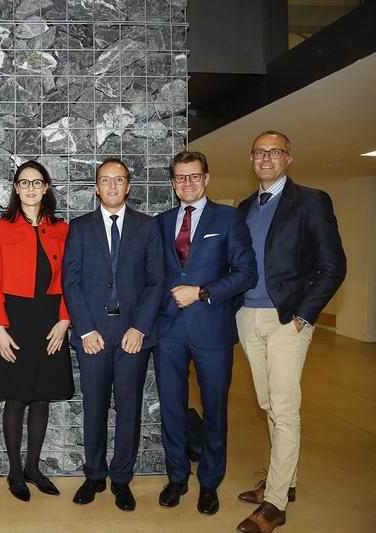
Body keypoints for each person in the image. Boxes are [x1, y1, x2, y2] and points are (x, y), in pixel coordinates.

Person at [235, 131, 346, 533]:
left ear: (288, 158)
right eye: (259, 152)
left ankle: (276, 502)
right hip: (248, 316)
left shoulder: (311, 201)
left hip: (286, 320)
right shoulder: (246, 207)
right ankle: (288, 480)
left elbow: (333, 266)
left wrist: (304, 315)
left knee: (284, 408)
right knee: (267, 404)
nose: (266, 158)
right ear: (251, 159)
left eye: (274, 152)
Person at [153, 151, 257, 515]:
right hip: (167, 331)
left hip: (212, 329)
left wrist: (202, 291)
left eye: (195, 176)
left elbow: (246, 274)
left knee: (214, 410)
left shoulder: (229, 218)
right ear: (172, 182)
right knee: (171, 409)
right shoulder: (161, 222)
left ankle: (209, 483)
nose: (188, 183)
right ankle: (177, 477)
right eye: (180, 177)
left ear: (207, 178)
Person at [62, 158, 164, 511]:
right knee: (93, 407)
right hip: (93, 333)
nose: (112, 186)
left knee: (128, 408)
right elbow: (70, 281)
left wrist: (140, 327)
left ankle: (121, 478)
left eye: (118, 180)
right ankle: (94, 475)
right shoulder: (80, 227)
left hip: (132, 334)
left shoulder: (147, 228)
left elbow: (157, 281)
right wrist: (85, 328)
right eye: (105, 180)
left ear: (128, 186)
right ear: (96, 186)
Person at [0, 160, 74, 502]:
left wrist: (65, 320)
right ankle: (14, 471)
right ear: (16, 188)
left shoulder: (62, 229)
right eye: (25, 183)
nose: (32, 188)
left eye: (38, 183)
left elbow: (71, 280)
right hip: (15, 319)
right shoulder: (1, 228)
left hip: (51, 318)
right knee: (17, 396)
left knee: (42, 396)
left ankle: (33, 468)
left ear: (46, 188)